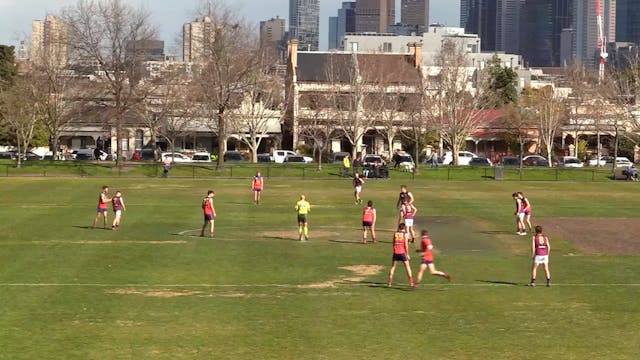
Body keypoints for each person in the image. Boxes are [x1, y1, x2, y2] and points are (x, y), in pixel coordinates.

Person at [387, 223, 415, 288]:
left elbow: (393, 243)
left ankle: (389, 282)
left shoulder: (395, 233)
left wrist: (395, 249)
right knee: (407, 267)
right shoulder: (405, 234)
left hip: (395, 252)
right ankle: (411, 282)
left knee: (393, 267)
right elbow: (406, 245)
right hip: (402, 252)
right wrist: (407, 254)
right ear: (404, 228)